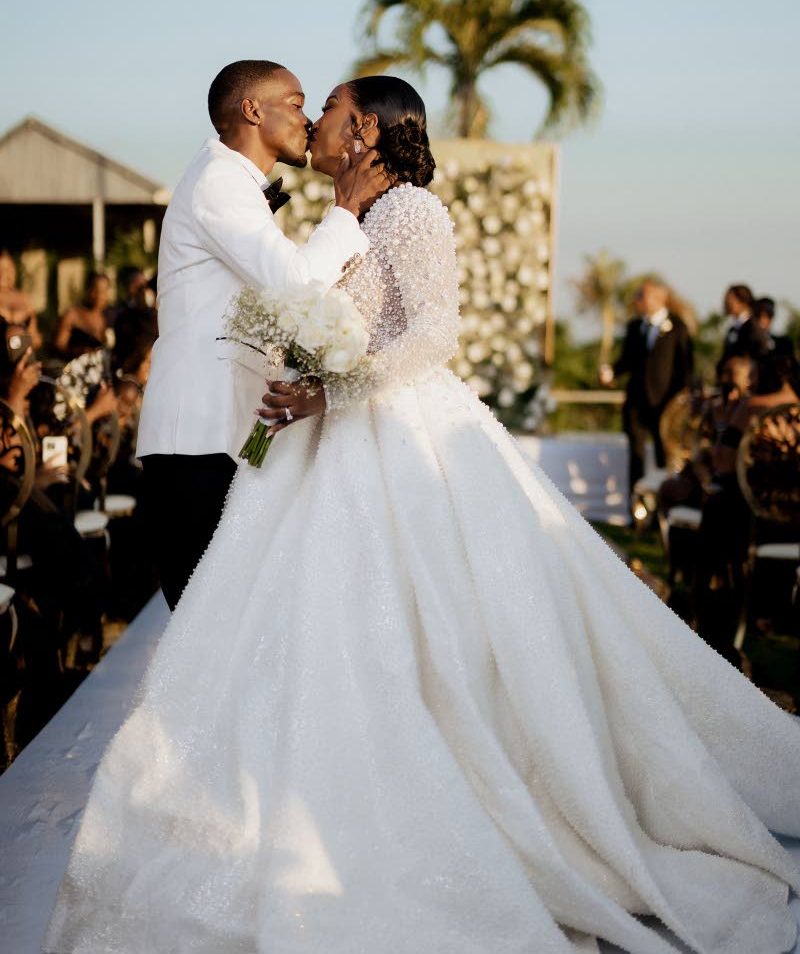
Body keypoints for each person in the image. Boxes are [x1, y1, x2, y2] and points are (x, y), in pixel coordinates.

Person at [45, 77, 800, 954]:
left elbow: (433, 335)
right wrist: (308, 377)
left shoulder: (412, 214)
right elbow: (313, 305)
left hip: (403, 441)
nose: (316, 118)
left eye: (327, 105)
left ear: (364, 128)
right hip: (321, 446)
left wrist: (332, 389)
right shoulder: (348, 219)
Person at [134, 59, 388, 609]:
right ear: (252, 110)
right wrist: (345, 210)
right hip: (195, 437)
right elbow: (294, 283)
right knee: (203, 621)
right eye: (296, 103)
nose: (308, 119)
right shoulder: (219, 180)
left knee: (228, 621)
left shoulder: (235, 185)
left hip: (232, 434)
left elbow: (270, 316)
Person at [600, 279, 693, 501]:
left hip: (664, 406)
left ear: (658, 299)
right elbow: (627, 360)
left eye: (641, 295)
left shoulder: (678, 327)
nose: (637, 300)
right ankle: (636, 509)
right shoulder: (634, 327)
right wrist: (612, 371)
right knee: (636, 456)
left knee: (664, 457)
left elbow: (686, 368)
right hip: (635, 403)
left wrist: (678, 403)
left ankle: (662, 506)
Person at [53, 271, 114, 360]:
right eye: (95, 290)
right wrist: (78, 352)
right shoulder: (72, 315)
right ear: (87, 290)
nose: (99, 296)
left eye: (104, 292)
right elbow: (58, 346)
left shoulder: (105, 317)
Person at [0, 249, 42, 349]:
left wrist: (21, 337)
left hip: (22, 356)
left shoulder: (25, 299)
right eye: (0, 268)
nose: (4, 273)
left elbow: (36, 339)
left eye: (9, 269)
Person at [719, 283, 765, 366]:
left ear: (743, 301)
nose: (727, 303)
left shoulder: (752, 327)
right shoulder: (733, 329)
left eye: (731, 299)